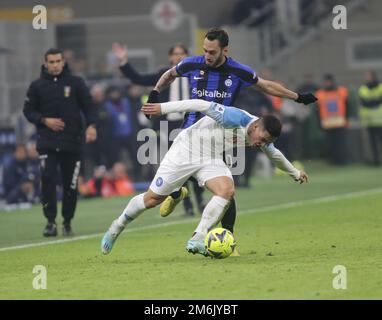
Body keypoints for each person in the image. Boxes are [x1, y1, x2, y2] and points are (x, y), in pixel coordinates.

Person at [147, 28, 316, 246]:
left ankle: (227, 236)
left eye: (212, 51)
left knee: (227, 190)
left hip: (219, 135)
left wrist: (298, 97)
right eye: (205, 50)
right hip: (189, 131)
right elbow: (169, 74)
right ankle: (177, 193)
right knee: (173, 176)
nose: (207, 55)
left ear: (224, 50)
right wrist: (155, 93)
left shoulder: (238, 71)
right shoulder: (192, 63)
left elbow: (265, 86)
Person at [101, 99, 309, 256]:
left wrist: (295, 173)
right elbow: (199, 104)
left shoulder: (261, 136)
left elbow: (274, 154)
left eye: (266, 142)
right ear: (255, 127)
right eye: (262, 139)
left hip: (210, 158)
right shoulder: (233, 117)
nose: (261, 144)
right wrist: (162, 108)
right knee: (152, 200)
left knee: (227, 190)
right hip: (185, 150)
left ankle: (198, 237)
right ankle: (116, 227)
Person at [112, 42, 205, 216]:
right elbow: (139, 79)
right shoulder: (165, 75)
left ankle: (200, 199)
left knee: (196, 164)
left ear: (188, 55)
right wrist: (124, 63)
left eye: (182, 53)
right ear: (170, 57)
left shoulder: (197, 74)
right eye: (175, 54)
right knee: (179, 166)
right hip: (170, 126)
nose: (179, 57)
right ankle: (187, 204)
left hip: (194, 124)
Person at [23, 48, 97, 237]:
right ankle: (50, 222)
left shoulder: (76, 83)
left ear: (63, 62)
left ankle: (67, 222)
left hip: (72, 142)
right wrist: (44, 120)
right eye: (51, 62)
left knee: (70, 185)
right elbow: (28, 110)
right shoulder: (36, 86)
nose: (55, 65)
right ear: (45, 64)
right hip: (47, 142)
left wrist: (91, 126)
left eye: (58, 61)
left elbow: (89, 106)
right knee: (47, 180)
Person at [315, 74, 349, 165]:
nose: (327, 84)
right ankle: (332, 161)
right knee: (330, 145)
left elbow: (347, 106)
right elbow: (317, 111)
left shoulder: (341, 91)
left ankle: (341, 161)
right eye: (326, 82)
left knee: (340, 144)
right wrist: (319, 123)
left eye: (329, 81)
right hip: (327, 124)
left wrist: (347, 119)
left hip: (340, 123)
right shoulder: (320, 94)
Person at [358, 71, 382, 166]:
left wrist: (371, 101)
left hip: (380, 121)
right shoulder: (363, 89)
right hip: (369, 121)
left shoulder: (380, 87)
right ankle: (376, 161)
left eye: (368, 76)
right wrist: (375, 100)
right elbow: (364, 102)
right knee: (372, 144)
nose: (366, 77)